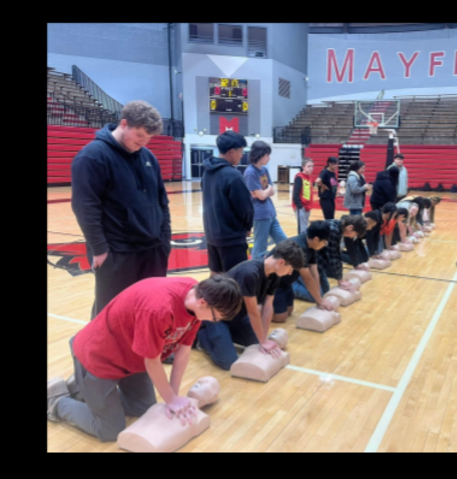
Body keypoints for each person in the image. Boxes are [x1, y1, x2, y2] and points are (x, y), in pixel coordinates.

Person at [47, 276, 244, 442]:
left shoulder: (196, 299)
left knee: (144, 408)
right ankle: (57, 401)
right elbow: (152, 362)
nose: (213, 322)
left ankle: (83, 387)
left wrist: (173, 397)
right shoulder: (159, 309)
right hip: (98, 357)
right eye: (216, 317)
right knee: (109, 430)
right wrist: (170, 399)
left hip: (131, 359)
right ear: (203, 303)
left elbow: (183, 352)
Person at [70, 100, 173, 320]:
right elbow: (85, 206)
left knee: (150, 307)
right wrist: (98, 248)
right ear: (124, 124)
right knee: (112, 312)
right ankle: (101, 354)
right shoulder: (92, 156)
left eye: (148, 138)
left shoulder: (148, 157)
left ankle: (149, 352)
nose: (144, 142)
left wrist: (165, 239)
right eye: (139, 136)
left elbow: (162, 202)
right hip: (117, 251)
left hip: (152, 249)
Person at [191, 241, 305, 370]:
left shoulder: (274, 275)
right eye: (290, 269)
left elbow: (268, 307)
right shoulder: (249, 273)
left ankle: (224, 337)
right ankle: (200, 335)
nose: (290, 273)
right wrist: (262, 341)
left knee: (257, 344)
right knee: (228, 362)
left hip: (236, 317)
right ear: (281, 262)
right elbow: (253, 311)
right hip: (216, 317)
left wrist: (263, 338)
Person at [202, 131, 254, 276]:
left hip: (212, 234)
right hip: (231, 238)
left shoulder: (207, 172)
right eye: (240, 152)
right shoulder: (233, 175)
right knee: (236, 279)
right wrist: (248, 225)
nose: (241, 155)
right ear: (231, 152)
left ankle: (212, 300)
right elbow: (245, 207)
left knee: (215, 274)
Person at [267, 223, 336, 317]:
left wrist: (319, 298)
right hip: (273, 282)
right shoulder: (300, 247)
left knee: (289, 311)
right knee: (281, 317)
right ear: (316, 239)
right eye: (324, 242)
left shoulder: (312, 246)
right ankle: (260, 303)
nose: (324, 245)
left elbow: (314, 273)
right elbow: (307, 279)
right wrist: (319, 300)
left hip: (286, 282)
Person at [244, 141, 285, 257]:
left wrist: (264, 191)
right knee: (260, 248)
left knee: (284, 243)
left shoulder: (264, 170)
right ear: (259, 154)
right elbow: (262, 195)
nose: (269, 158)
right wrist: (264, 192)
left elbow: (271, 191)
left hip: (270, 213)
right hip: (260, 214)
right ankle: (256, 272)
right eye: (267, 155)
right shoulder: (250, 172)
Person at [294, 157, 319, 237]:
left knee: (305, 227)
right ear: (303, 167)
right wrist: (300, 206)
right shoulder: (299, 177)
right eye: (309, 166)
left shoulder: (309, 177)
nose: (311, 168)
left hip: (307, 206)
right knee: (302, 229)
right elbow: (295, 194)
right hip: (301, 207)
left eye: (312, 166)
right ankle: (301, 246)